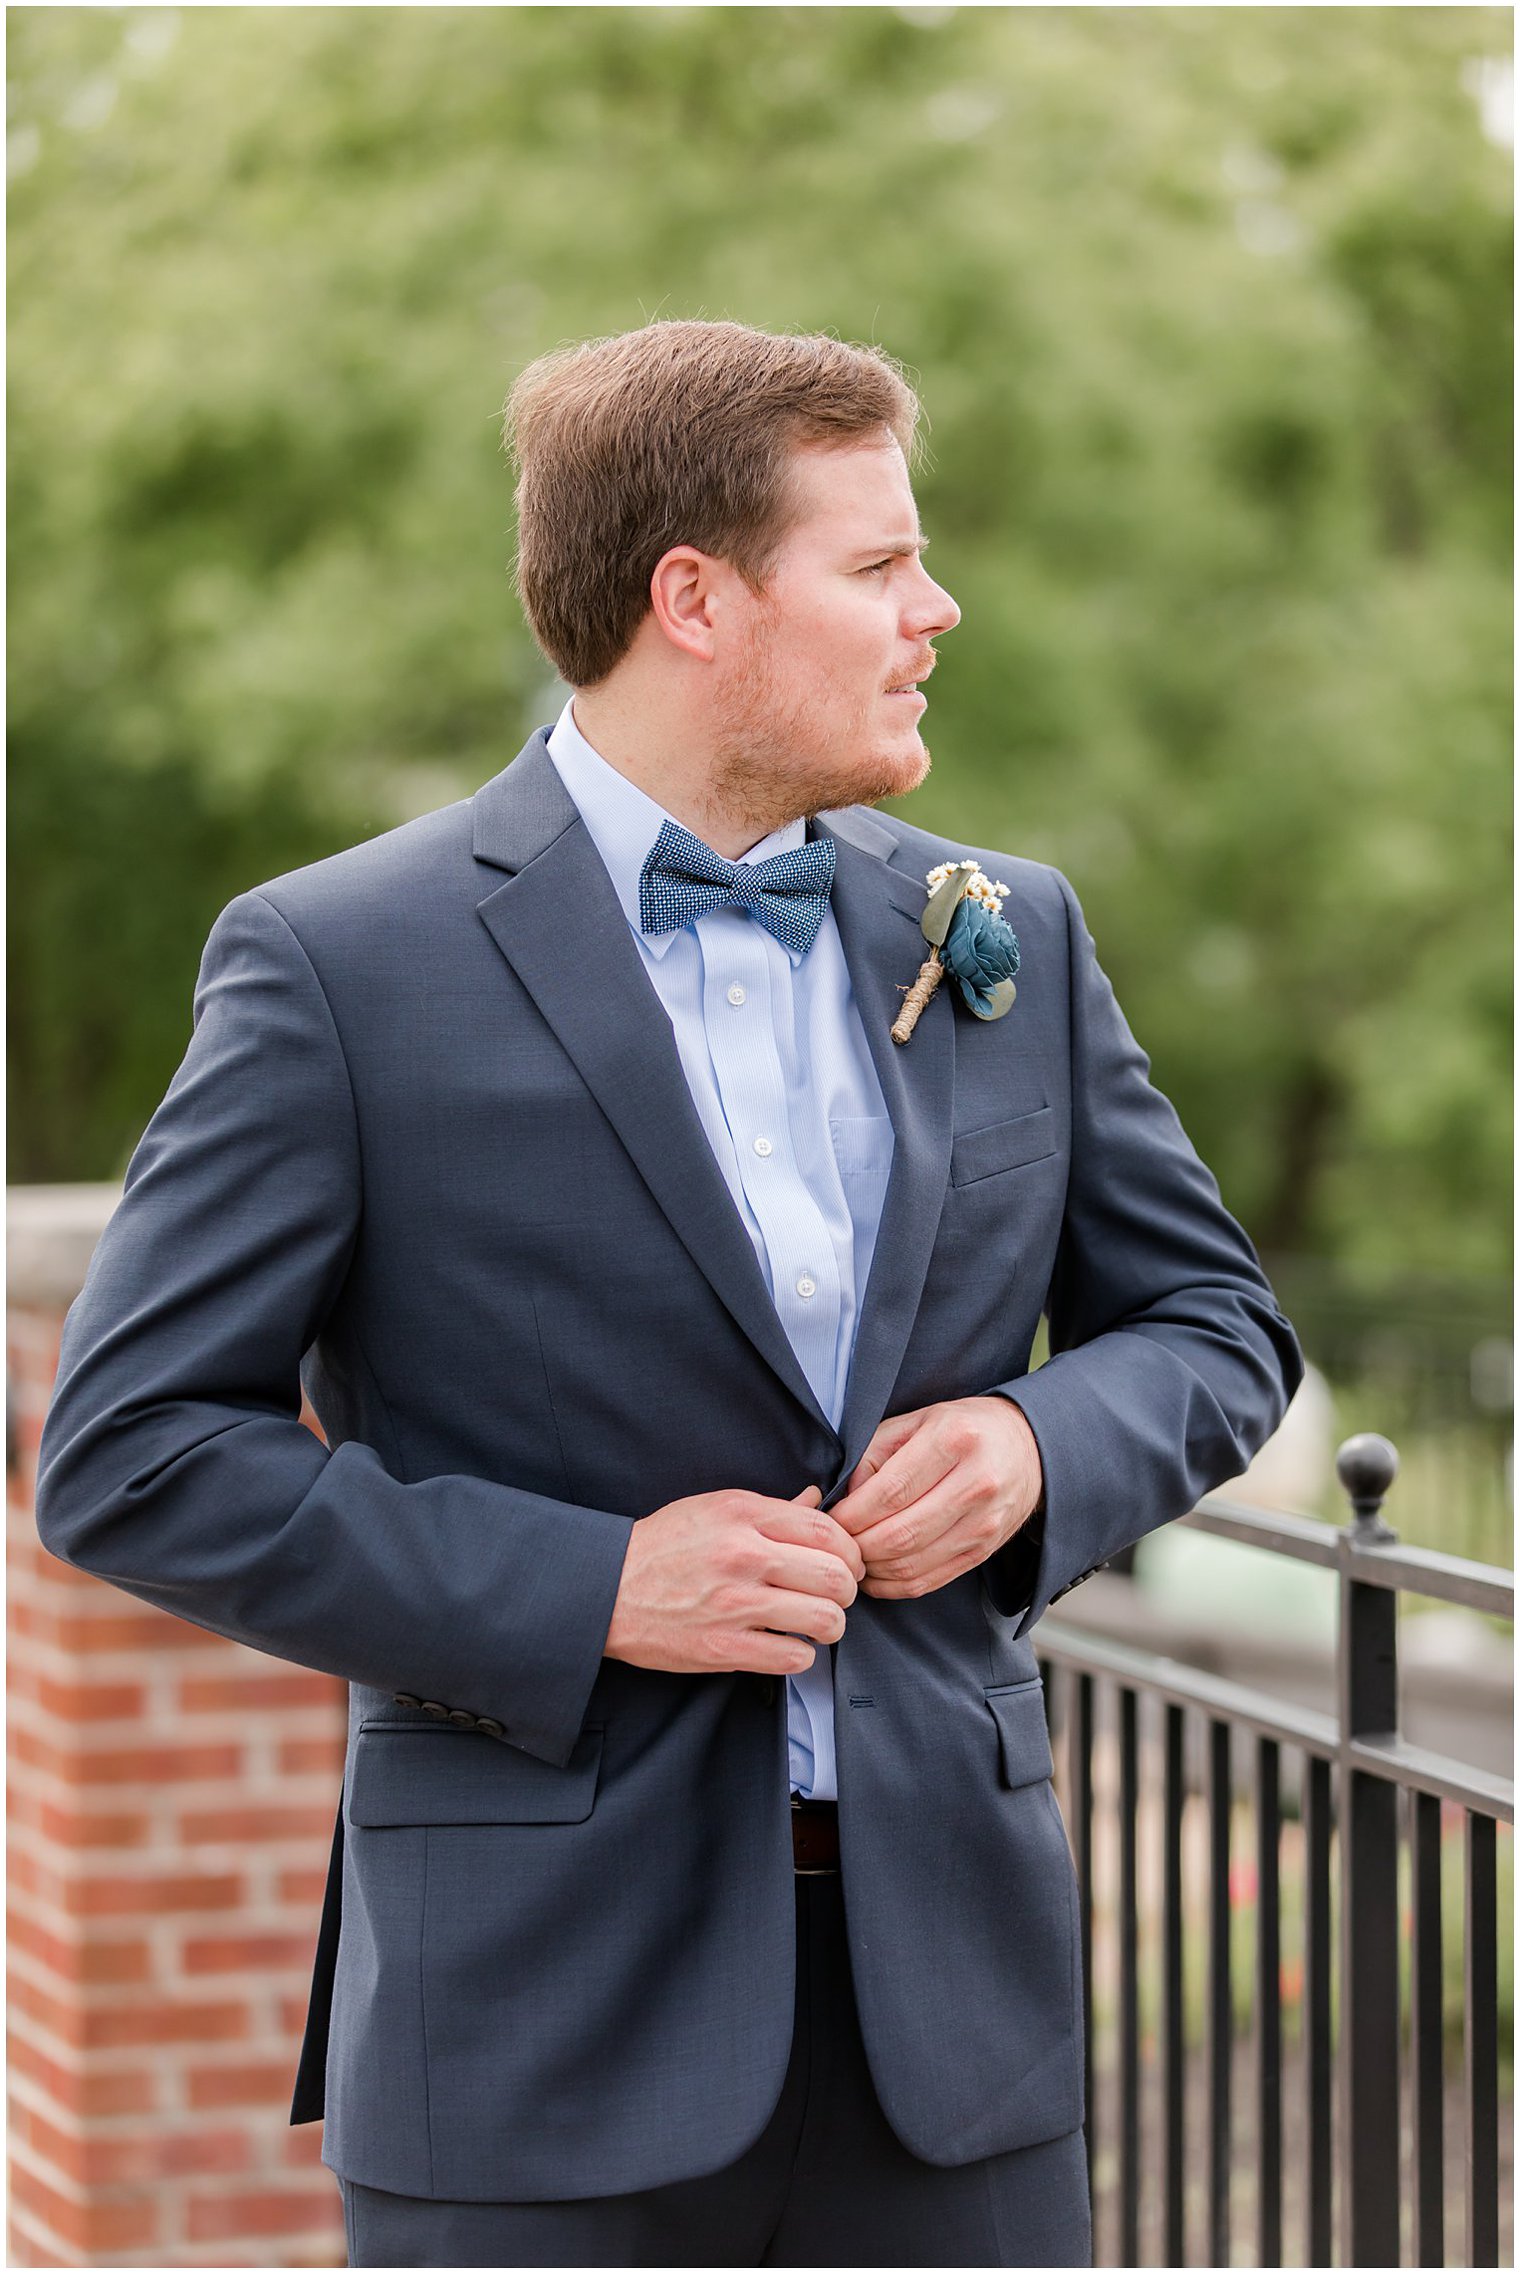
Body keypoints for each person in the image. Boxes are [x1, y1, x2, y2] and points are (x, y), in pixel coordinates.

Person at [36, 319, 1302, 2269]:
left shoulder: (1006, 931)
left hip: (952, 2036)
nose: (934, 608)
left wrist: (1031, 1442)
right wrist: (593, 1587)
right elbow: (132, 1455)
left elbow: (1215, 1328)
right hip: (531, 2034)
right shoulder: (335, 963)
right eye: (875, 564)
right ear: (691, 597)